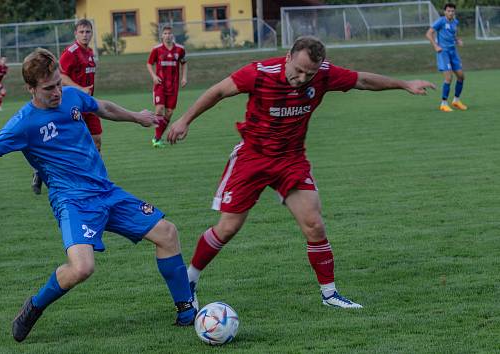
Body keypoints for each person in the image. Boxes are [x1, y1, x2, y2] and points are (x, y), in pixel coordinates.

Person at [167, 36, 435, 309]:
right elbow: (218, 92)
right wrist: (184, 120)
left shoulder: (324, 75)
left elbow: (362, 80)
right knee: (228, 228)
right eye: (299, 70)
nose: (303, 77)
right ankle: (189, 280)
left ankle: (330, 295)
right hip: (253, 158)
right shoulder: (259, 73)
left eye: (310, 73)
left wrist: (404, 85)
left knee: (314, 224)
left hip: (290, 160)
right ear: (288, 56)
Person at [0, 48, 196, 343]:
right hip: (72, 202)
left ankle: (187, 312)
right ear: (31, 89)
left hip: (106, 192)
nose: (58, 92)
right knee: (83, 268)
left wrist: (137, 117)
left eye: (59, 83)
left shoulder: (71, 96)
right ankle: (34, 306)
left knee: (167, 232)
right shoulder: (24, 123)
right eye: (49, 88)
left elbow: (102, 107)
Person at [32, 19, 98, 195]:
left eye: (88, 31)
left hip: (87, 103)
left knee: (96, 140)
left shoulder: (90, 52)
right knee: (67, 144)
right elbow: (60, 75)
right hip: (72, 103)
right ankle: (41, 171)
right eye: (81, 32)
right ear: (75, 34)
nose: (85, 35)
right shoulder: (71, 52)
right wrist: (80, 89)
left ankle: (91, 177)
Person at [146, 26, 187, 148]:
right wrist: (153, 76)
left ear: (172, 35)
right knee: (159, 109)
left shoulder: (180, 49)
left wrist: (184, 78)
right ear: (161, 36)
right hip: (160, 85)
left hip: (173, 86)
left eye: (169, 33)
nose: (167, 35)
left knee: (169, 113)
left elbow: (184, 63)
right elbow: (149, 63)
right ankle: (156, 139)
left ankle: (157, 138)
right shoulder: (157, 49)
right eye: (165, 33)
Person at [426, 3, 467, 112]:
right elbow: (429, 33)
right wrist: (436, 46)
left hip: (453, 51)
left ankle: (456, 101)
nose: (450, 13)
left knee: (461, 77)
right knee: (449, 78)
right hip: (443, 52)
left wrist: (457, 40)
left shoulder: (455, 22)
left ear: (454, 12)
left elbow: (453, 35)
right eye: (448, 11)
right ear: (445, 12)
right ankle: (443, 103)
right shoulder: (441, 21)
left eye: (452, 11)